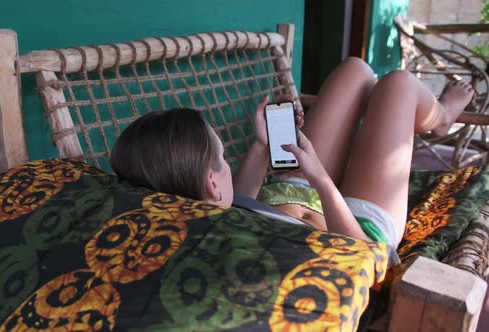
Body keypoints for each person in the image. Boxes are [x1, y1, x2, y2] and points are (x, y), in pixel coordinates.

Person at [110, 57, 474, 266]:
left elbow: (239, 201)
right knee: (398, 84)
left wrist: (261, 146)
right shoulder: (228, 254)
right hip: (357, 228)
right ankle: (441, 117)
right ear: (209, 182)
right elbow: (375, 260)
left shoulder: (189, 210)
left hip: (290, 190)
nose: (227, 165)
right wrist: (322, 180)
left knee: (355, 70)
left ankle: (411, 117)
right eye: (222, 158)